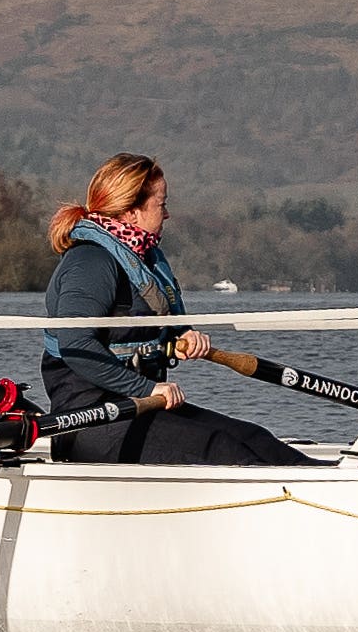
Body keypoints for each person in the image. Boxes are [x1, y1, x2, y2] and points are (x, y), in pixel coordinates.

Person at [37, 153, 307, 468]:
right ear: (133, 212)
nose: (167, 214)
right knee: (221, 448)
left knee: (254, 438)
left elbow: (142, 329)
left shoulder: (144, 259)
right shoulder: (90, 263)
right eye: (161, 204)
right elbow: (76, 346)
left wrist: (183, 335)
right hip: (90, 421)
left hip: (140, 407)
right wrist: (147, 388)